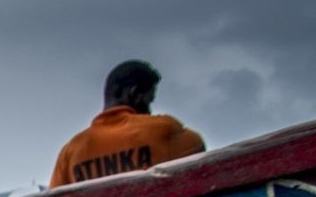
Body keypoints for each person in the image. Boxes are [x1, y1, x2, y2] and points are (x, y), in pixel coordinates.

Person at [50, 60, 205, 188]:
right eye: (149, 99)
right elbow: (200, 153)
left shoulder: (70, 152)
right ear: (135, 93)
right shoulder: (164, 131)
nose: (150, 110)